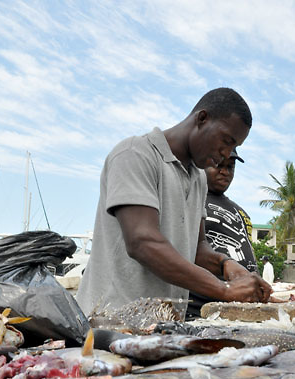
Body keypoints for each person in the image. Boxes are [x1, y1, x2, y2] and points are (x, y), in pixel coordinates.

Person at [76, 88, 273, 315]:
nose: (227, 154)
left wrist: (226, 264)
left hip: (161, 325)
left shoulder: (198, 178)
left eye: (234, 147)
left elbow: (197, 248)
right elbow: (143, 242)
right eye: (226, 141)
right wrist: (224, 289)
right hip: (110, 321)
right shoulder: (136, 154)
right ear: (202, 118)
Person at [187, 149, 258, 317]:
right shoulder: (193, 198)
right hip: (204, 307)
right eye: (219, 165)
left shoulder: (240, 211)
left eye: (230, 167)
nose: (225, 172)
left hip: (241, 305)